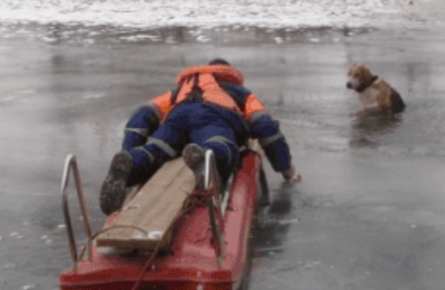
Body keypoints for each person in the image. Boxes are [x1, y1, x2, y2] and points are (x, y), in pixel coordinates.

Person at [101, 59, 300, 214]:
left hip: (178, 115)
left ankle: (131, 165)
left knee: (156, 150)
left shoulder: (182, 89)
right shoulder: (239, 91)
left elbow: (142, 114)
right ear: (229, 73)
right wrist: (287, 169)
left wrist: (129, 149)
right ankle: (207, 160)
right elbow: (265, 126)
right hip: (216, 116)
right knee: (218, 143)